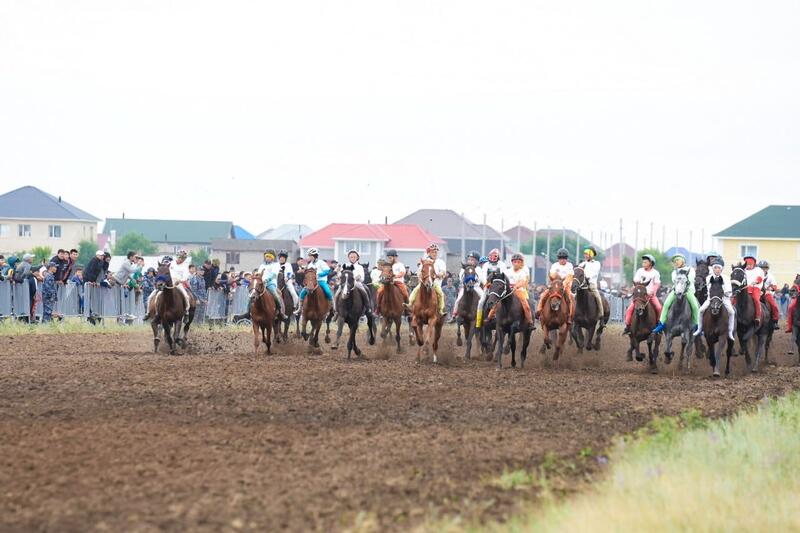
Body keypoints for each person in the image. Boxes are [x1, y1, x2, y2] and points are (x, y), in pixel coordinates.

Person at [653, 253, 699, 334]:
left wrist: (684, 281)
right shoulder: (674, 272)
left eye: (677, 260)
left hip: (688, 291)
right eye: (674, 261)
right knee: (666, 304)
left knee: (695, 306)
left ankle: (696, 325)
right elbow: (675, 280)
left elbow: (691, 279)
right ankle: (661, 324)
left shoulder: (690, 269)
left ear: (683, 261)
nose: (676, 262)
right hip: (676, 291)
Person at [694, 259, 735, 340]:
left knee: (732, 312)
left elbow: (729, 289)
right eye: (715, 268)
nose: (717, 269)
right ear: (713, 269)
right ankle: (699, 329)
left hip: (724, 299)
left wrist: (727, 293)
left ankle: (730, 331)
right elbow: (708, 289)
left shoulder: (726, 278)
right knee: (700, 310)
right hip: (711, 299)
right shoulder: (708, 278)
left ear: (721, 269)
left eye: (719, 268)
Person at [488, 253, 533, 326]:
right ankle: (489, 317)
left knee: (526, 305)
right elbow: (502, 280)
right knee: (497, 302)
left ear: (521, 263)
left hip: (519, 290)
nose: (516, 264)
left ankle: (529, 321)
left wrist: (516, 286)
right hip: (507, 290)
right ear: (512, 262)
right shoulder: (507, 271)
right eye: (515, 262)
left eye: (518, 262)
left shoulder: (523, 272)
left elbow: (522, 281)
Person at [623, 254, 662, 334]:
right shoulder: (640, 271)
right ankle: (627, 326)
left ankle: (658, 326)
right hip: (640, 296)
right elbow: (636, 282)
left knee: (658, 308)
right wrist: (635, 288)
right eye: (643, 262)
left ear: (650, 263)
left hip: (650, 295)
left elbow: (657, 284)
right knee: (630, 309)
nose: (643, 263)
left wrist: (653, 291)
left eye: (645, 262)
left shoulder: (655, 273)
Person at [406, 243, 447, 316]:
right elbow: (419, 271)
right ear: (429, 253)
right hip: (425, 282)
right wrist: (420, 276)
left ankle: (441, 310)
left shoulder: (441, 262)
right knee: (416, 290)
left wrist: (438, 274)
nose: (434, 254)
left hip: (435, 283)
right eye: (432, 252)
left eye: (435, 252)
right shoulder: (425, 261)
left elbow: (443, 272)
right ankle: (410, 304)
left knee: (441, 294)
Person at [537, 248, 575, 325]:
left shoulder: (569, 265)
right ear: (558, 258)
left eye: (564, 258)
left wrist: (563, 283)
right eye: (560, 258)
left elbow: (570, 276)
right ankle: (539, 312)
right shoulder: (555, 265)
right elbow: (551, 275)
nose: (562, 260)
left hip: (565, 286)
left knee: (570, 298)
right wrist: (556, 277)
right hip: (555, 286)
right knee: (543, 296)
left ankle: (569, 316)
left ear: (566, 258)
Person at [336, 249, 375, 321]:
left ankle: (368, 307)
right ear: (349, 258)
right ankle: (336, 309)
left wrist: (358, 278)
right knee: (338, 292)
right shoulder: (345, 265)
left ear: (357, 258)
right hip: (346, 284)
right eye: (351, 257)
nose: (353, 258)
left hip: (356, 283)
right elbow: (340, 275)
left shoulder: (359, 267)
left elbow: (362, 278)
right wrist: (338, 274)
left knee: (364, 290)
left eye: (354, 257)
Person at [476, 248, 508, 328]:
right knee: (481, 302)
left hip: (499, 287)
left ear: (498, 257)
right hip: (489, 286)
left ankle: (508, 318)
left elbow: (505, 276)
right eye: (491, 256)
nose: (493, 258)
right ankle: (478, 322)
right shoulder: (486, 265)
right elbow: (483, 276)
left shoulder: (502, 265)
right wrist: (486, 283)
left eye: (495, 256)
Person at [252, 249, 286, 319]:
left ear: (272, 258)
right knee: (252, 294)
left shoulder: (276, 265)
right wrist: (256, 275)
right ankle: (248, 312)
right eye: (266, 257)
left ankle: (280, 311)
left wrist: (267, 280)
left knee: (275, 295)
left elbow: (274, 274)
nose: (267, 258)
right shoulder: (262, 265)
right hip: (261, 283)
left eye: (269, 257)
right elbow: (259, 273)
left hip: (271, 284)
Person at [451, 251, 483, 319]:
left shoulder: (478, 269)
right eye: (469, 259)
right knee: (458, 300)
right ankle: (454, 314)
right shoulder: (463, 269)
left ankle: (485, 313)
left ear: (476, 261)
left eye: (472, 260)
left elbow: (480, 279)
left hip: (476, 287)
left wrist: (474, 280)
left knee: (483, 298)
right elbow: (461, 277)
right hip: (465, 287)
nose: (470, 261)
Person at [576, 247, 604, 318]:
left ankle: (601, 314)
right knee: (572, 296)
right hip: (581, 285)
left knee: (598, 297)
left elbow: (595, 273)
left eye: (587, 254)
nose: (585, 255)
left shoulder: (597, 263)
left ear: (591, 255)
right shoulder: (582, 264)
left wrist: (587, 277)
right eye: (585, 254)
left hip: (591, 285)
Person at [740, 255, 765, 327]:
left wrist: (756, 281)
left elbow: (760, 278)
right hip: (745, 288)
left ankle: (758, 316)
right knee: (735, 299)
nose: (749, 266)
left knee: (756, 299)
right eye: (747, 264)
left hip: (755, 288)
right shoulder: (743, 270)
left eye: (750, 264)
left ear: (754, 264)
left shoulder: (759, 270)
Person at [757, 260, 781, 330]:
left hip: (766, 293)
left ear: (767, 269)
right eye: (761, 268)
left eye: (764, 268)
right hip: (756, 292)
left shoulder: (770, 276)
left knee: (774, 305)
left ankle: (775, 321)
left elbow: (775, 286)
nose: (762, 269)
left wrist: (770, 288)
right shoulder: (756, 275)